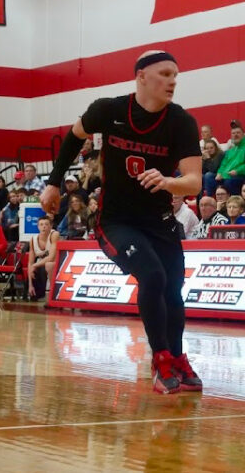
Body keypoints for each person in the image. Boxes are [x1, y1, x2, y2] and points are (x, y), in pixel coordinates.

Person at [40, 50, 204, 395]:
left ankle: (176, 356)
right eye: (164, 73)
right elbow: (73, 136)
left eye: (176, 75)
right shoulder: (108, 110)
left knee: (173, 289)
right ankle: (159, 358)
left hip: (159, 220)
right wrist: (54, 182)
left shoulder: (181, 122)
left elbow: (194, 182)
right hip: (117, 221)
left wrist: (169, 182)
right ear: (141, 76)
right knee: (153, 275)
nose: (172, 80)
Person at [27, 216, 59, 300]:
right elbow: (30, 263)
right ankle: (33, 291)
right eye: (41, 224)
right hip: (39, 265)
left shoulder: (54, 234)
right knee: (33, 296)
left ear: (51, 226)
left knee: (47, 265)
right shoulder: (33, 240)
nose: (44, 226)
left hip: (56, 263)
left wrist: (34, 265)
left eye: (46, 224)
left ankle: (53, 294)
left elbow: (51, 257)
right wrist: (30, 285)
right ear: (38, 226)